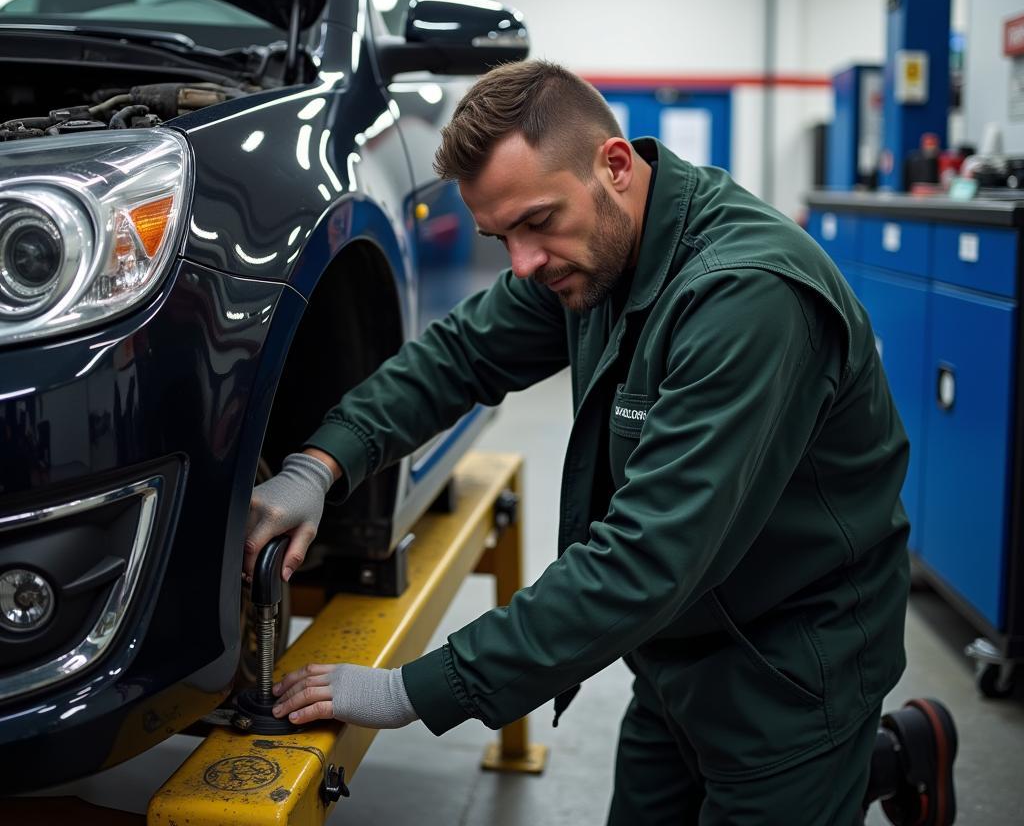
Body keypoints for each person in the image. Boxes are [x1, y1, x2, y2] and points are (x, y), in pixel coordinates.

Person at [244, 60, 957, 825]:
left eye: (538, 222)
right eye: (501, 235)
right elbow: (459, 356)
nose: (522, 263)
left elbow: (646, 560)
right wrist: (317, 465)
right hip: (673, 649)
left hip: (791, 665)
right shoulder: (596, 250)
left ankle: (852, 758)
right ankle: (888, 756)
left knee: (783, 784)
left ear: (615, 165)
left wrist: (412, 689)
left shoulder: (748, 298)